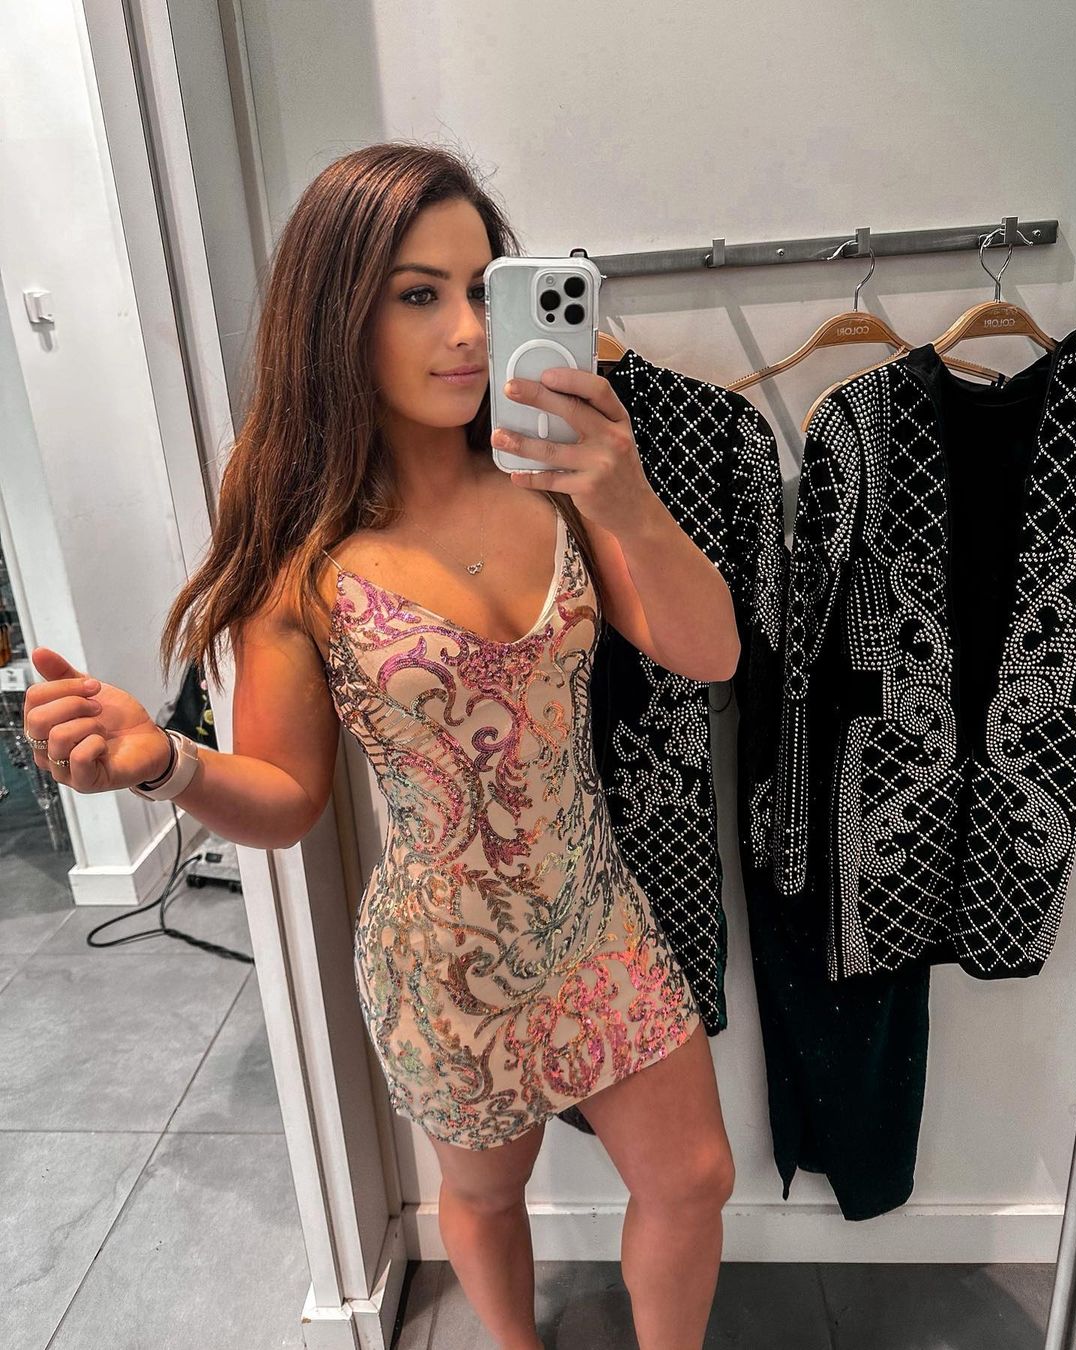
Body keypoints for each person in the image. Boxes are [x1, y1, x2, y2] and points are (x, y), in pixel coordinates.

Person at [24, 142, 740, 1350]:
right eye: (419, 294)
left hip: (594, 921)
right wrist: (165, 763)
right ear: (338, 316)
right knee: (485, 1196)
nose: (466, 331)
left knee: (694, 1178)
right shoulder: (305, 559)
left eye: (481, 290)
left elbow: (710, 653)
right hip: (442, 961)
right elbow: (288, 796)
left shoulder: (554, 482)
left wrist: (626, 499)